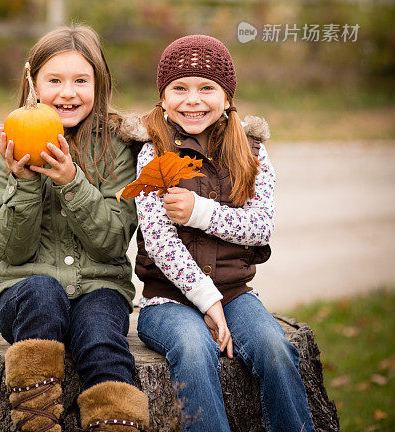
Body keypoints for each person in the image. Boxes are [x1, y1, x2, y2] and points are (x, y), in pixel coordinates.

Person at [134, 34, 316, 432]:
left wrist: (199, 211)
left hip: (236, 294)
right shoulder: (153, 153)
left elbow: (261, 227)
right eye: (179, 88)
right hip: (167, 301)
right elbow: (162, 243)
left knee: (274, 349)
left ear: (227, 96)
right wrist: (206, 301)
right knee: (194, 349)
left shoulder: (250, 151)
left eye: (207, 88)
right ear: (162, 98)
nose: (192, 100)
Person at [0, 25, 149, 432]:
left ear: (99, 84)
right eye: (54, 80)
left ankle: (116, 423)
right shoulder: (10, 147)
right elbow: (8, 249)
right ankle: (37, 422)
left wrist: (72, 181)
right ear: (32, 82)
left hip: (98, 287)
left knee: (103, 339)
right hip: (23, 291)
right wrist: (25, 183)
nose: (67, 93)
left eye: (80, 81)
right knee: (43, 291)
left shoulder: (117, 149)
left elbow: (111, 243)